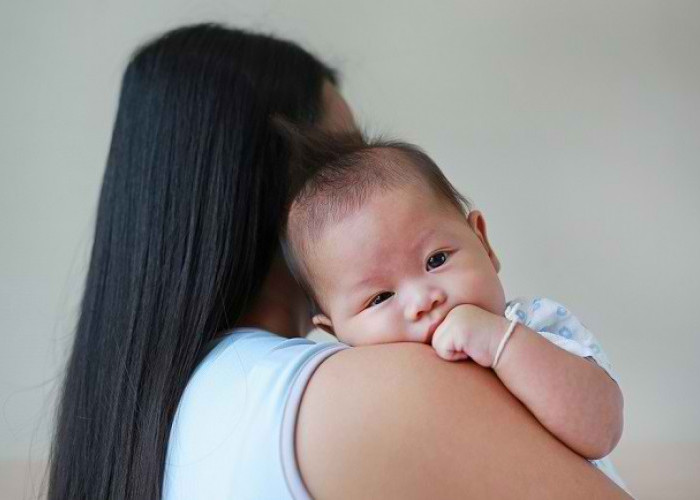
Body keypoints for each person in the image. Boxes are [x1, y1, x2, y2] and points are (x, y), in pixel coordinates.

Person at [46, 23, 632, 499]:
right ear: (277, 205)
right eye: (341, 159)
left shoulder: (159, 426)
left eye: (435, 258)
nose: (423, 300)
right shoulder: (382, 391)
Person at [280, 130, 627, 489]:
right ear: (335, 331)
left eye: (436, 259)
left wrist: (501, 343)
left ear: (483, 242)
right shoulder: (359, 399)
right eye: (380, 298)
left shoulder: (532, 324)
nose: (422, 300)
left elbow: (602, 428)